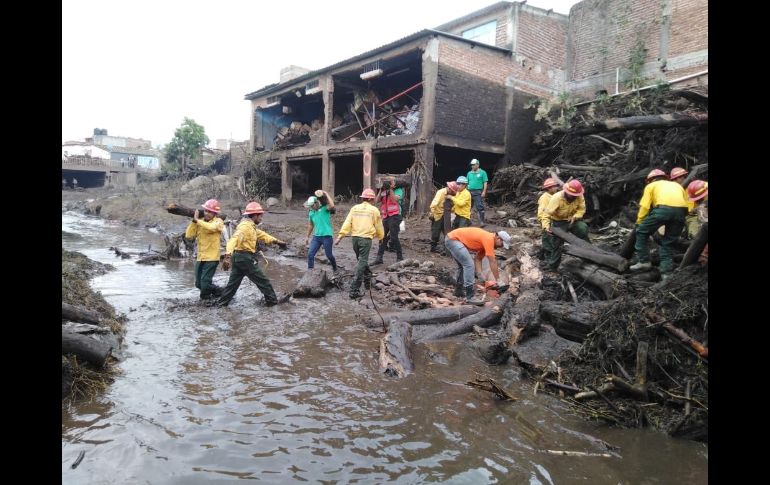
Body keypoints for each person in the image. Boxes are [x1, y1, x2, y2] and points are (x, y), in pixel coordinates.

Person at [215, 202, 288, 307]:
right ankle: (273, 303)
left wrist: (277, 241)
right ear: (255, 215)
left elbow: (262, 235)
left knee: (232, 285)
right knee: (264, 281)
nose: (261, 218)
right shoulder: (244, 227)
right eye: (260, 216)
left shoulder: (250, 226)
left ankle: (221, 304)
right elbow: (233, 240)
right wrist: (227, 257)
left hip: (238, 258)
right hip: (245, 258)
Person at [629, 169, 688, 278]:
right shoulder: (677, 186)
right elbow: (686, 203)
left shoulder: (651, 186)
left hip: (663, 209)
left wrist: (639, 222)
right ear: (665, 177)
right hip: (681, 212)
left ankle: (644, 261)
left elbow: (645, 206)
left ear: (650, 180)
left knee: (641, 231)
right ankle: (666, 273)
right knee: (668, 242)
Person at [334, 188, 385, 299]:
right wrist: (381, 237)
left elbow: (347, 222)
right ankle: (354, 289)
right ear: (372, 199)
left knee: (361, 259)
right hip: (365, 239)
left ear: (363, 198)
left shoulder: (355, 208)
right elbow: (378, 226)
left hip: (355, 239)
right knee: (362, 261)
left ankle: (367, 280)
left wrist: (340, 236)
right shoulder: (374, 210)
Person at [444, 227, 511, 305]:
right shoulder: (489, 239)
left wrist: (480, 275)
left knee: (463, 266)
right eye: (502, 244)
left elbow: (478, 259)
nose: (501, 246)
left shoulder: (487, 241)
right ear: (498, 238)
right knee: (469, 265)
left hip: (451, 238)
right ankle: (470, 297)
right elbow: (492, 261)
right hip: (453, 239)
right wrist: (498, 280)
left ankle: (458, 291)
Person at [541, 179, 588, 271]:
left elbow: (581, 210)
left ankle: (588, 256)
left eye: (576, 195)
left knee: (583, 228)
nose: (574, 196)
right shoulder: (556, 198)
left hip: (572, 220)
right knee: (557, 243)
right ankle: (553, 266)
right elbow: (546, 214)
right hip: (558, 222)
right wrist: (546, 227)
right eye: (572, 194)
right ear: (566, 191)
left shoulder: (579, 195)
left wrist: (575, 217)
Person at [184, 199, 225, 301]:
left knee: (205, 284)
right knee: (198, 284)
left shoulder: (218, 221)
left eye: (210, 211)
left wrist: (198, 221)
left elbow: (211, 228)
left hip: (212, 258)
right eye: (206, 211)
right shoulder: (200, 222)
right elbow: (189, 235)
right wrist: (194, 221)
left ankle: (206, 300)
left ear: (215, 213)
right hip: (201, 257)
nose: (207, 213)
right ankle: (220, 292)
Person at [304, 190, 338, 273]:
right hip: (317, 237)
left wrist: (326, 193)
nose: (311, 207)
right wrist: (307, 237)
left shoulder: (324, 208)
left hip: (327, 236)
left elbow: (332, 205)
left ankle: (335, 268)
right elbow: (311, 225)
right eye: (310, 206)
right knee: (310, 254)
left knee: (329, 255)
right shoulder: (311, 213)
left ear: (316, 203)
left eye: (312, 206)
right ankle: (310, 272)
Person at [373, 176, 404, 265]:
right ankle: (379, 258)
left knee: (394, 237)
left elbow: (394, 200)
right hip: (386, 216)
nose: (393, 183)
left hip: (395, 216)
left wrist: (390, 189)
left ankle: (400, 257)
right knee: (382, 237)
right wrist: (381, 189)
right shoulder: (383, 191)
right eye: (391, 182)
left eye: (392, 181)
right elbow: (376, 201)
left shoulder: (398, 190)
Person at [429, 181, 459, 253]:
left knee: (446, 231)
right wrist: (432, 212)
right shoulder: (441, 192)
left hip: (446, 215)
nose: (453, 193)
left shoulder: (453, 194)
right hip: (438, 214)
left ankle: (447, 247)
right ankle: (433, 247)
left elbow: (454, 204)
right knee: (436, 231)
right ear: (449, 189)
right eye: (452, 191)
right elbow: (434, 203)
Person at [467, 159, 489, 225]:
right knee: (468, 207)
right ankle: (467, 221)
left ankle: (482, 222)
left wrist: (484, 191)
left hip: (478, 192)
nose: (472, 166)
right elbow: (466, 182)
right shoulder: (469, 173)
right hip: (469, 192)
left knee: (479, 206)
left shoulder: (483, 172)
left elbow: (485, 182)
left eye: (474, 165)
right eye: (472, 165)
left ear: (478, 165)